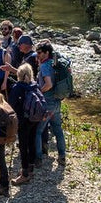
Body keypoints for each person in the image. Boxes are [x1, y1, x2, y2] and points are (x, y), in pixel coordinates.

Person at [34, 40, 67, 168]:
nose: (37, 54)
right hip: (57, 102)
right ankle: (62, 156)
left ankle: (38, 159)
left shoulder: (44, 66)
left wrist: (38, 92)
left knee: (38, 131)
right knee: (58, 129)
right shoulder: (54, 64)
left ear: (46, 53)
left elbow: (48, 84)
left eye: (39, 52)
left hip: (47, 103)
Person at [8, 63, 38, 185]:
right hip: (34, 119)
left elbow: (11, 104)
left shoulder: (18, 87)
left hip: (22, 120)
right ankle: (31, 169)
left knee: (23, 146)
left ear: (19, 74)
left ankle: (24, 174)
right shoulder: (35, 85)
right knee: (32, 142)